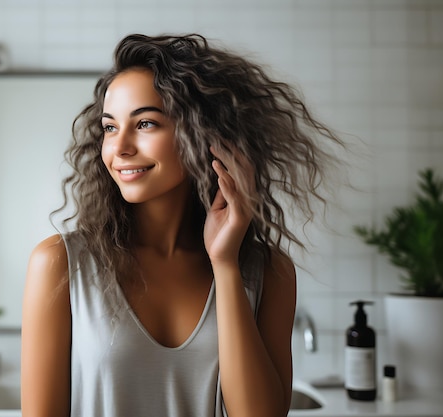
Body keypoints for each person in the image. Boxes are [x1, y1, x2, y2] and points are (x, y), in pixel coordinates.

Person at [21, 33, 343, 417]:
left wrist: (225, 264)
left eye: (145, 124)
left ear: (202, 135)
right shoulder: (60, 263)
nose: (119, 147)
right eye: (109, 127)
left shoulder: (268, 272)